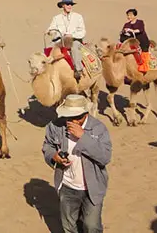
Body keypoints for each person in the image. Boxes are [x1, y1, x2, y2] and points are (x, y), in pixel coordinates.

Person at [42, 94, 112, 233]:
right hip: (67, 186)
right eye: (69, 117)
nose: (73, 121)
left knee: (91, 226)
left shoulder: (98, 128)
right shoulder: (55, 126)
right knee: (68, 227)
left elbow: (105, 157)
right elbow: (48, 146)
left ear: (86, 114)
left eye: (77, 117)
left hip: (92, 188)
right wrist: (54, 157)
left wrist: (83, 137)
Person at [47, 0, 87, 80]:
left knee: (74, 48)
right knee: (49, 49)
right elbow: (51, 29)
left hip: (74, 40)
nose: (70, 6)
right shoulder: (56, 18)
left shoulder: (78, 17)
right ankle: (45, 71)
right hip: (60, 41)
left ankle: (78, 69)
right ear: (63, 5)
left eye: (71, 4)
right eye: (68, 4)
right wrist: (50, 31)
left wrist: (72, 35)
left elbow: (82, 32)